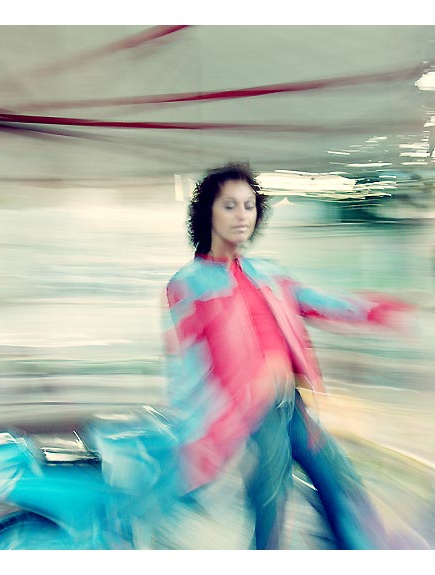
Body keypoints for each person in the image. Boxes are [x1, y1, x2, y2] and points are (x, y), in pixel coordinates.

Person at [162, 162, 414, 549]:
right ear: (207, 212)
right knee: (271, 513)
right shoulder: (187, 284)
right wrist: (196, 439)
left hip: (292, 407)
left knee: (342, 487)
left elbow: (322, 303)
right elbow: (187, 367)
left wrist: (382, 310)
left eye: (249, 205)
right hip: (251, 418)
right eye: (229, 205)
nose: (242, 215)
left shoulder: (268, 273)